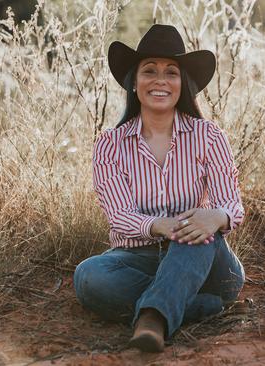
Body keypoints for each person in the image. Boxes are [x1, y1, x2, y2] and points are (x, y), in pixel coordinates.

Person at [73, 24, 245, 353]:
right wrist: (159, 225)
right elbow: (119, 216)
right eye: (149, 70)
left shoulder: (208, 136)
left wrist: (216, 217)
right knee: (88, 277)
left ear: (183, 84)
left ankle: (153, 318)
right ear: (134, 83)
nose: (160, 80)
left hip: (204, 258)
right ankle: (200, 307)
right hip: (136, 258)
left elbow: (231, 204)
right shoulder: (110, 144)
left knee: (195, 226)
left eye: (171, 72)